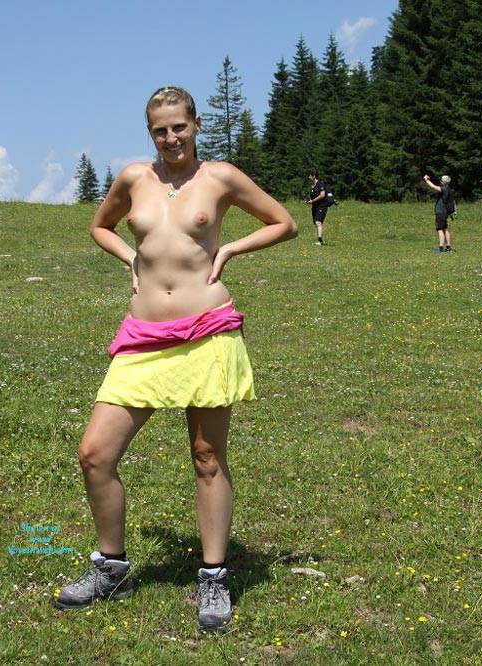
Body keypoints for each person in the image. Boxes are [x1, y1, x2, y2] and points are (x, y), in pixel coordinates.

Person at [53, 86, 297, 633]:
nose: (171, 138)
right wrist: (130, 258)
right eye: (160, 130)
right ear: (150, 133)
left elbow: (284, 222)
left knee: (207, 456)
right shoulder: (134, 178)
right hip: (143, 335)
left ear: (196, 124)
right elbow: (100, 226)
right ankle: (112, 570)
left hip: (207, 330)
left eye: (179, 127)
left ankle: (213, 577)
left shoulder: (220, 177)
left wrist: (230, 248)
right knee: (94, 453)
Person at [423, 174, 454, 252]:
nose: (440, 181)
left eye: (441, 180)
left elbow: (433, 187)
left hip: (441, 212)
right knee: (445, 228)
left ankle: (441, 248)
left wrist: (426, 180)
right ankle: (448, 247)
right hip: (445, 212)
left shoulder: (444, 189)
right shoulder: (449, 189)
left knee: (440, 229)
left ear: (444, 182)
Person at [306, 170, 328, 245]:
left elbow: (322, 195)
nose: (308, 177)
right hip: (315, 207)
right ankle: (321, 240)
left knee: (318, 222)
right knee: (316, 223)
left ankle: (320, 240)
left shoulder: (320, 184)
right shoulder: (313, 185)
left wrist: (312, 201)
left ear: (314, 176)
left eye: (309, 176)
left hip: (322, 206)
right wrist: (309, 201)